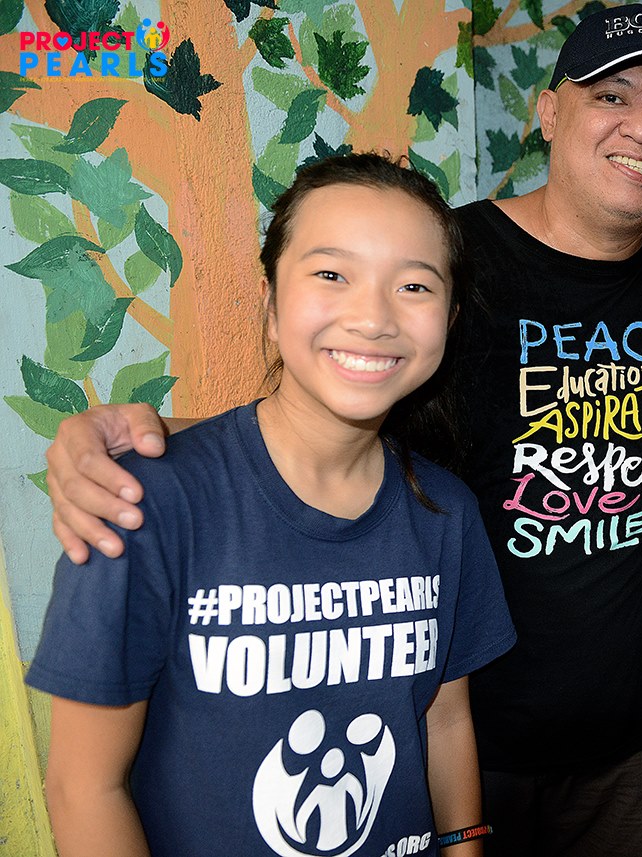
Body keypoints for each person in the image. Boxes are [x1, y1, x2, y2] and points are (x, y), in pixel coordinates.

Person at [43, 6, 642, 855]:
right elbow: (326, 397)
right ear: (550, 113)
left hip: (628, 741)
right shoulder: (443, 256)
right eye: (612, 95)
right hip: (449, 726)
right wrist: (137, 444)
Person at [26, 154, 516, 857]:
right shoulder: (143, 501)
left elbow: (443, 720)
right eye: (331, 274)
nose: (373, 317)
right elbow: (84, 787)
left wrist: (464, 847)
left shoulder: (445, 510)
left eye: (414, 285)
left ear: (450, 317)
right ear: (271, 302)